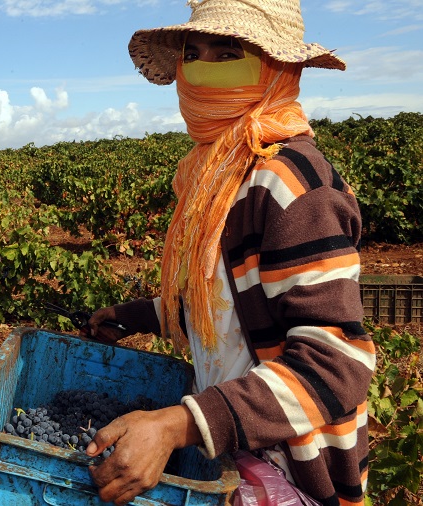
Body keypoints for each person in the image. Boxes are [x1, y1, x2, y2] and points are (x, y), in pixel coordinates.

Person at [82, 1, 376, 505]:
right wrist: (136, 316)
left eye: (228, 54)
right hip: (237, 452)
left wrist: (181, 424)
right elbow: (229, 299)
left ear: (277, 69)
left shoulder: (289, 186)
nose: (201, 71)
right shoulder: (219, 175)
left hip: (291, 469)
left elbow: (335, 363)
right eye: (193, 55)